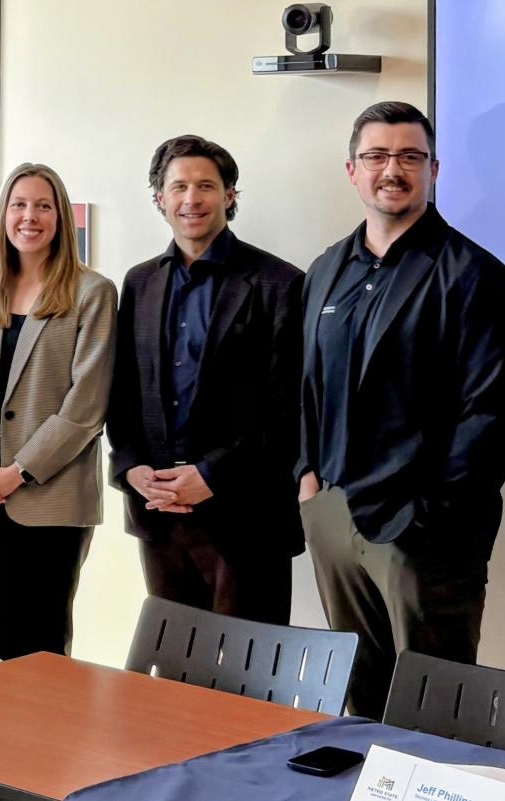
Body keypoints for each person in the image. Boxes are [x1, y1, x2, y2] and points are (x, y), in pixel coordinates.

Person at [297, 101, 505, 718]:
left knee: (436, 708)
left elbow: (494, 413)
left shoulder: (476, 275)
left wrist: (433, 514)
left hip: (422, 530)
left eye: (409, 157)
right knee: (358, 702)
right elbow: (306, 385)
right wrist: (308, 482)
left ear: (433, 169)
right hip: (335, 513)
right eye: (376, 156)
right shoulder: (324, 271)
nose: (392, 169)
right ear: (352, 170)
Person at [107, 135, 305, 625]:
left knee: (249, 682)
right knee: (174, 677)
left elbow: (290, 410)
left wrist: (210, 476)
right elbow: (122, 390)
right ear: (159, 198)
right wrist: (130, 467)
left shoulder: (280, 284)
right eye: (178, 187)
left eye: (205, 186)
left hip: (246, 517)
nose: (191, 199)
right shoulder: (139, 282)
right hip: (158, 515)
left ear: (230, 195)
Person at [0, 162, 117, 660]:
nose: (30, 216)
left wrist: (18, 473)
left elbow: (85, 407)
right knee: (0, 635)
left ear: (61, 217)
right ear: (3, 215)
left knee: (41, 644)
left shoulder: (92, 292)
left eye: (43, 206)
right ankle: (1, 739)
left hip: (51, 499)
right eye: (19, 205)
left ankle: (44, 740)